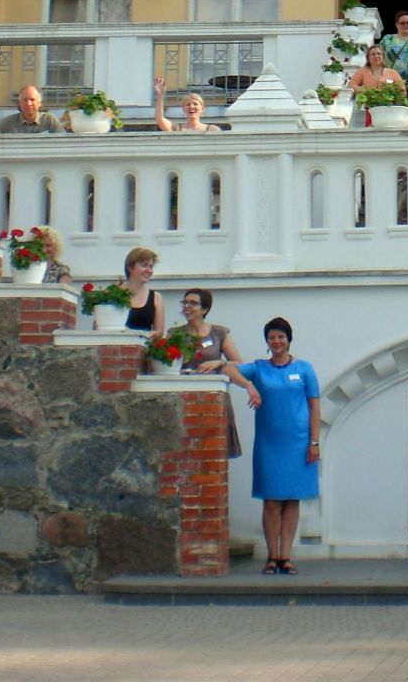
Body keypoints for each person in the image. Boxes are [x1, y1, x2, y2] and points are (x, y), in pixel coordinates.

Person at [223, 317, 321, 576]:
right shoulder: (259, 368)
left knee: (292, 500)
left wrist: (314, 442)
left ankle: (285, 556)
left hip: (298, 443)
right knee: (271, 500)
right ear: (267, 341)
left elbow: (314, 406)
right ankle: (272, 555)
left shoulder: (304, 368)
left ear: (289, 339)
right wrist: (249, 386)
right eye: (271, 337)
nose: (276, 341)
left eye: (280, 337)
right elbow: (229, 370)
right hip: (269, 443)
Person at [166, 287, 244, 458]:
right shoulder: (175, 334)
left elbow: (239, 364)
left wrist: (219, 362)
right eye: (185, 302)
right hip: (184, 398)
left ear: (205, 309)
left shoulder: (219, 333)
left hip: (213, 398)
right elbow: (165, 364)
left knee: (214, 450)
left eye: (193, 303)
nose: (187, 306)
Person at [153, 78, 222, 133]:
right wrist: (160, 96)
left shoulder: (212, 129)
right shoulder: (176, 129)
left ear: (202, 109)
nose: (191, 106)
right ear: (183, 109)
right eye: (188, 104)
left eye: (195, 104)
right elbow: (160, 119)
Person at [0, 85, 64, 134]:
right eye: (25, 100)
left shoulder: (49, 121)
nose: (28, 103)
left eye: (32, 99)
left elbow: (63, 140)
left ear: (39, 103)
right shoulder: (8, 123)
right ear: (19, 103)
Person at [120, 246, 162, 331]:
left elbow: (159, 333)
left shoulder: (156, 297)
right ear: (130, 267)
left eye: (151, 266)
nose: (149, 270)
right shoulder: (111, 294)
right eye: (144, 265)